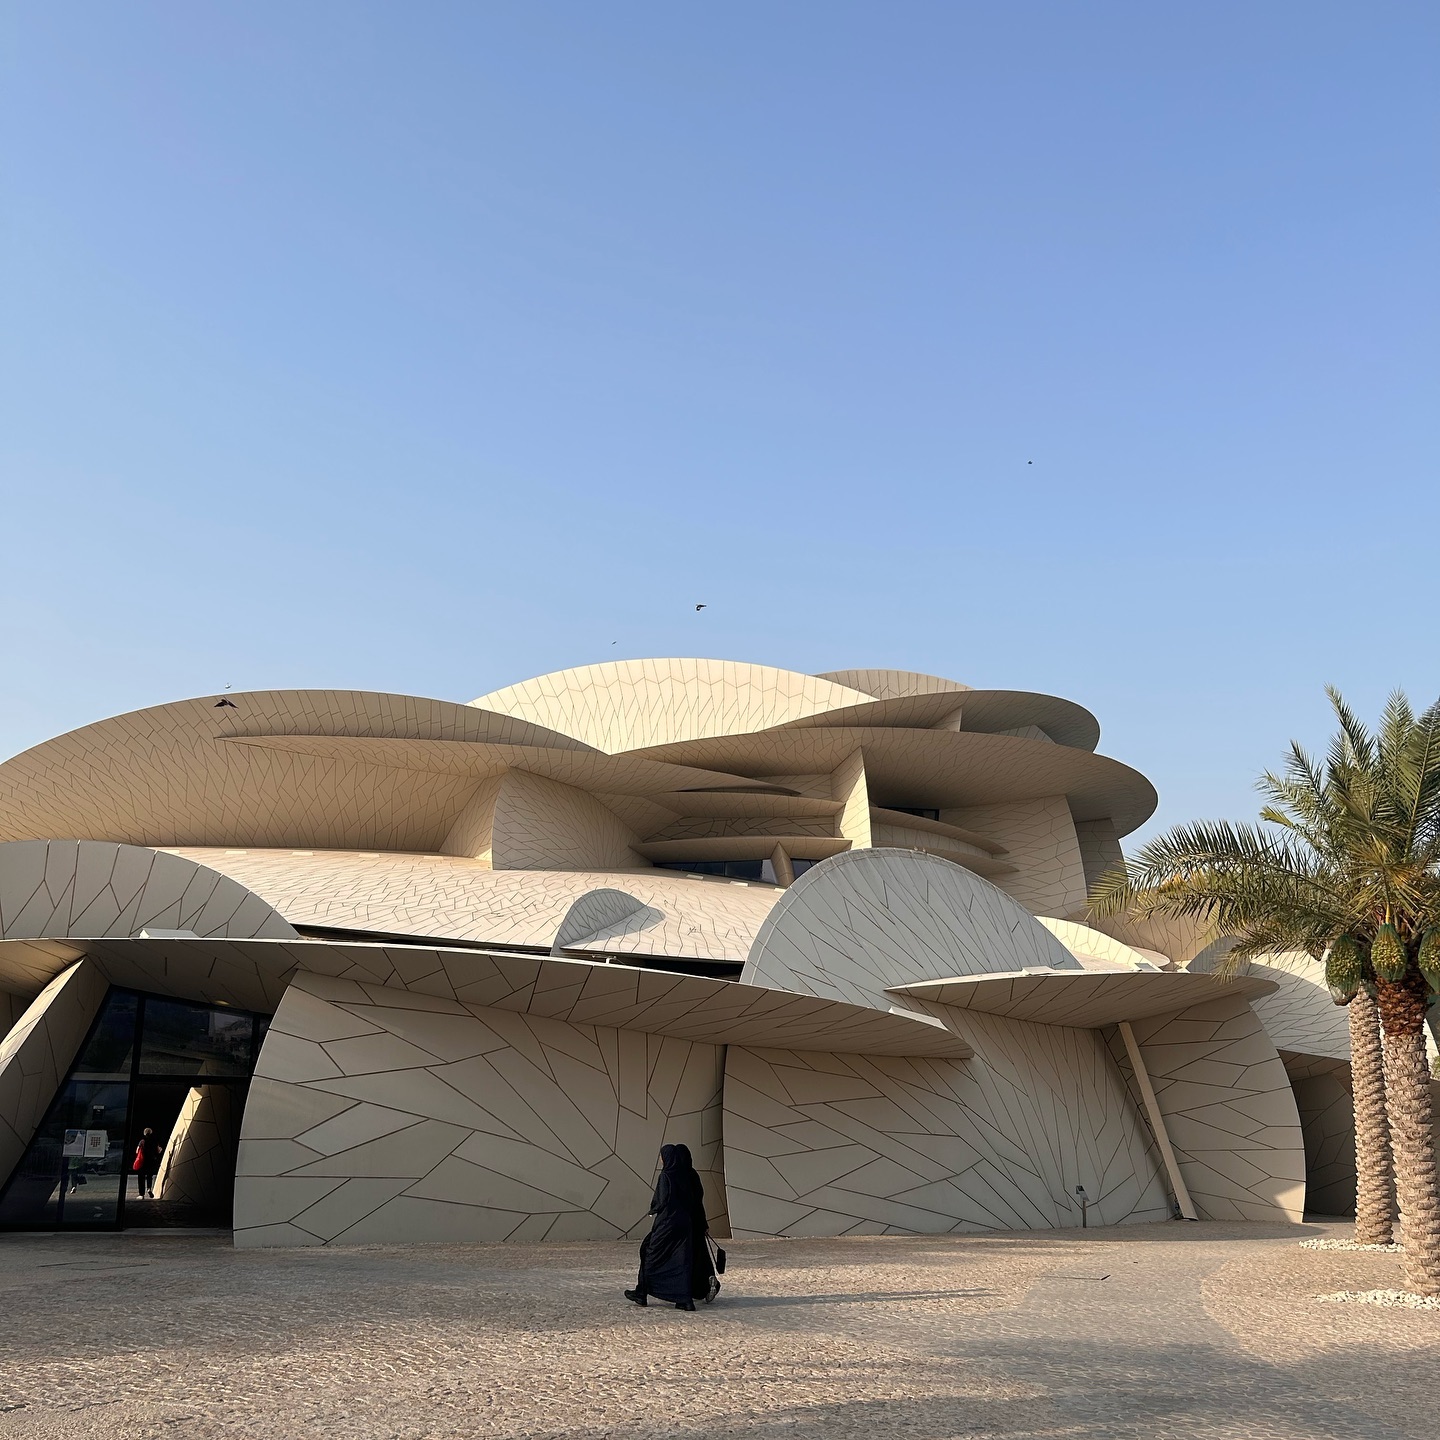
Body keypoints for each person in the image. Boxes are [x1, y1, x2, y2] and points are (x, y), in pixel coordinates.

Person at [625, 1143, 716, 1311]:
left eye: (661, 1156)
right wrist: (701, 1222)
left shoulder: (667, 1176)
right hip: (687, 1223)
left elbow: (662, 1200)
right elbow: (697, 1201)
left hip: (668, 1222)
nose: (660, 1159)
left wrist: (653, 1210)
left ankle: (643, 1292)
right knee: (683, 1261)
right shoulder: (689, 1175)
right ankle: (684, 1298)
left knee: (649, 1252)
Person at [131, 1127, 161, 1199]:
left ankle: (141, 1194)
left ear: (144, 1133)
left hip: (143, 1161)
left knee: (141, 1177)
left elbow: (137, 1151)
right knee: (149, 1176)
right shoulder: (154, 1141)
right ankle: (149, 1188)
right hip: (151, 1160)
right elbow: (158, 1151)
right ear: (151, 1133)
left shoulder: (142, 1141)